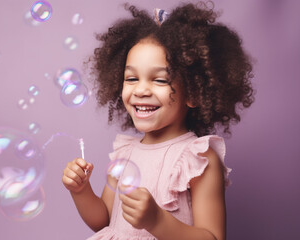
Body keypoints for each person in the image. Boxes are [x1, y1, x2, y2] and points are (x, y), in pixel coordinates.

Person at [62, 1, 254, 239]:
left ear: (194, 92)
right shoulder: (125, 153)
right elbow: (103, 220)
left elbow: (212, 237)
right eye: (131, 78)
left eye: (160, 80)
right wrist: (81, 191)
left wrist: (158, 220)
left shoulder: (198, 158)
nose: (141, 90)